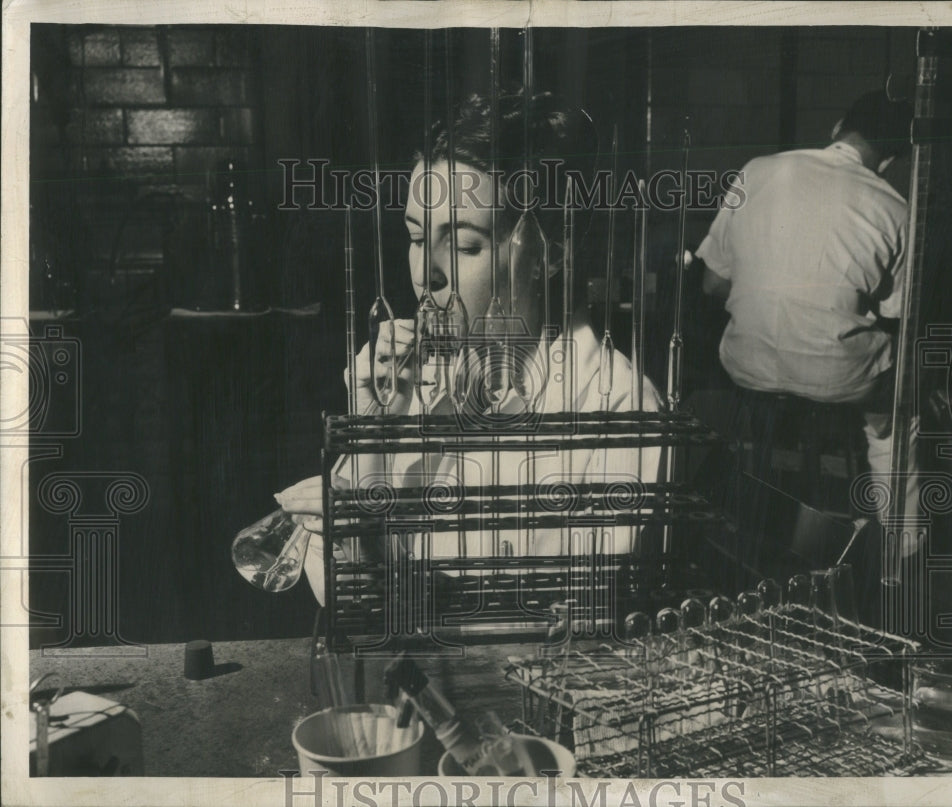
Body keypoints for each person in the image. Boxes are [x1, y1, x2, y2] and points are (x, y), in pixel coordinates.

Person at [275, 91, 662, 606]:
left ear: (550, 254)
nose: (425, 275)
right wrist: (371, 435)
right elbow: (346, 599)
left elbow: (580, 621)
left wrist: (373, 536)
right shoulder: (410, 380)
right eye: (416, 238)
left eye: (462, 245)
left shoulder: (618, 406)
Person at [696, 90, 919, 556]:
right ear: (892, 158)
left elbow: (712, 286)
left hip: (745, 367)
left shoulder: (756, 170)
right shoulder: (897, 208)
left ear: (838, 127)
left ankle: (747, 523)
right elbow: (898, 316)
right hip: (836, 379)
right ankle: (901, 551)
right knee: (901, 411)